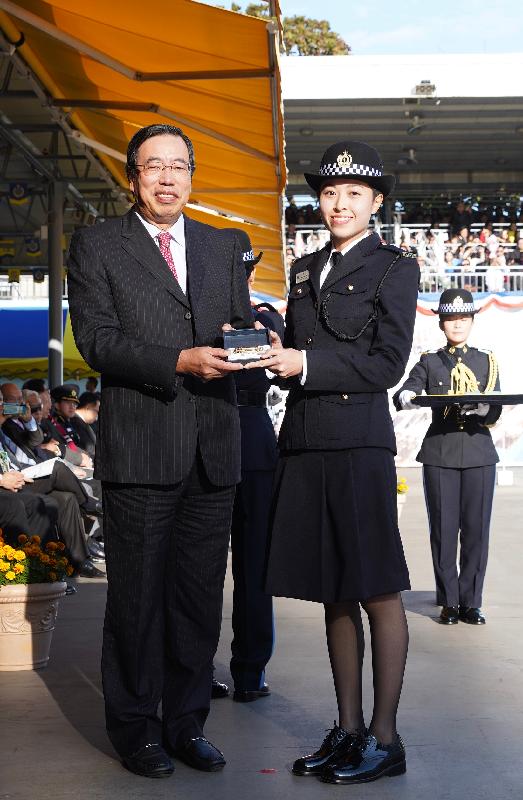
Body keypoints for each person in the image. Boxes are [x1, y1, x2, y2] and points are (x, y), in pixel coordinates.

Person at [67, 123, 253, 779]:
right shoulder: (97, 246)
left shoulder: (223, 244)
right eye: (154, 166)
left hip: (212, 449)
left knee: (198, 602)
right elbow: (98, 341)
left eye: (179, 166)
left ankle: (185, 724)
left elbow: (238, 324)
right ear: (132, 177)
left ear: (193, 177)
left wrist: (261, 336)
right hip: (143, 449)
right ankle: (136, 729)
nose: (168, 178)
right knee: (137, 603)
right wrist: (176, 359)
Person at [248, 141, 419, 784]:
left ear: (376, 203)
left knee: (374, 585)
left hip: (358, 441)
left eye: (353, 193)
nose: (338, 202)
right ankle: (348, 730)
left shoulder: (393, 267)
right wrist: (276, 350)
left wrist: (306, 364)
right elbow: (300, 349)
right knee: (333, 589)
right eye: (328, 192)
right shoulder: (305, 267)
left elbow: (385, 362)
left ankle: (385, 736)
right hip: (307, 438)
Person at [394, 288, 501, 626]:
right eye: (452, 319)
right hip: (440, 451)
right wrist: (409, 396)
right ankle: (449, 601)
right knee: (443, 530)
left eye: (463, 319)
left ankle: (471, 602)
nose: (458, 325)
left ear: (472, 322)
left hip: (479, 452)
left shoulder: (487, 360)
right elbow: (407, 389)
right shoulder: (430, 360)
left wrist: (484, 407)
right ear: (441, 323)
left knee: (476, 531)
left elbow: (496, 405)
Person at [224, 229, 284, 702]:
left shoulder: (266, 316)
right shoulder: (195, 314)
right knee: (197, 569)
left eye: (244, 270)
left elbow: (282, 355)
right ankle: (195, 667)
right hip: (208, 438)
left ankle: (250, 668)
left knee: (255, 565)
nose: (241, 278)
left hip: (252, 439)